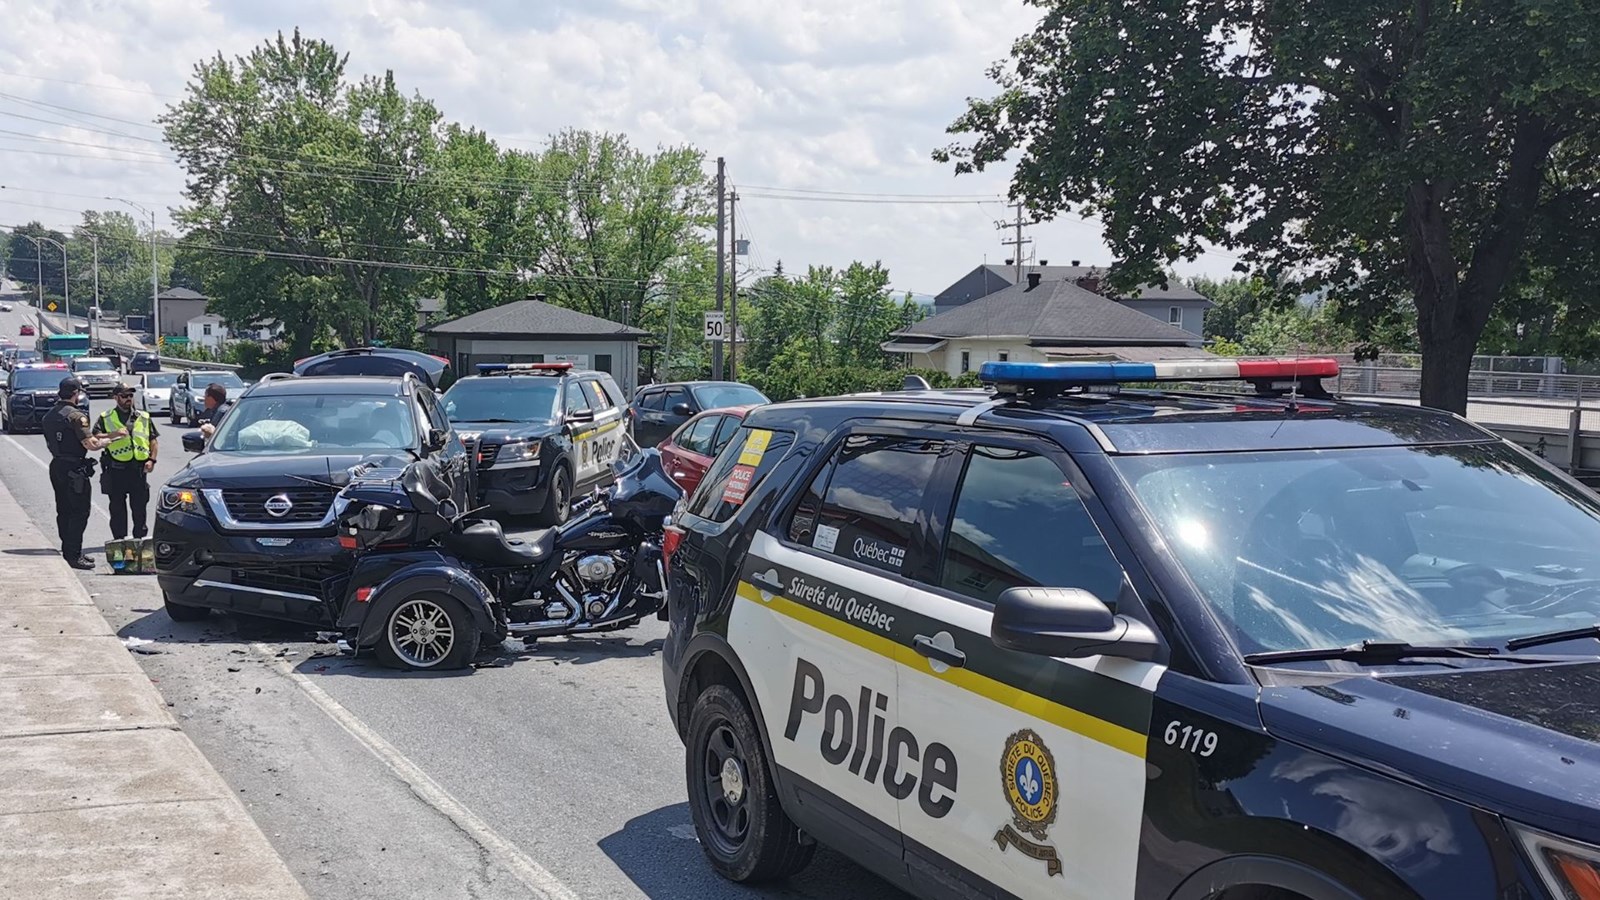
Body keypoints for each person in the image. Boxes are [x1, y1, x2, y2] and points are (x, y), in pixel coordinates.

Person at [41, 377, 124, 570]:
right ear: (75, 393)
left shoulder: (50, 415)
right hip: (74, 469)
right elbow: (91, 444)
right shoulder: (77, 416)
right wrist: (109, 441)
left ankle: (68, 549)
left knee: (63, 509)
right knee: (79, 511)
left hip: (57, 464)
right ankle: (74, 554)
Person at [94, 382, 160, 542]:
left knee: (139, 508)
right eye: (124, 396)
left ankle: (139, 539)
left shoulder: (143, 417)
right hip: (116, 470)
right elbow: (95, 436)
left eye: (130, 395)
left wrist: (152, 460)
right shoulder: (106, 417)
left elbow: (153, 440)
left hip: (138, 470)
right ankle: (119, 541)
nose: (128, 398)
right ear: (116, 398)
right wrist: (113, 434)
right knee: (117, 508)